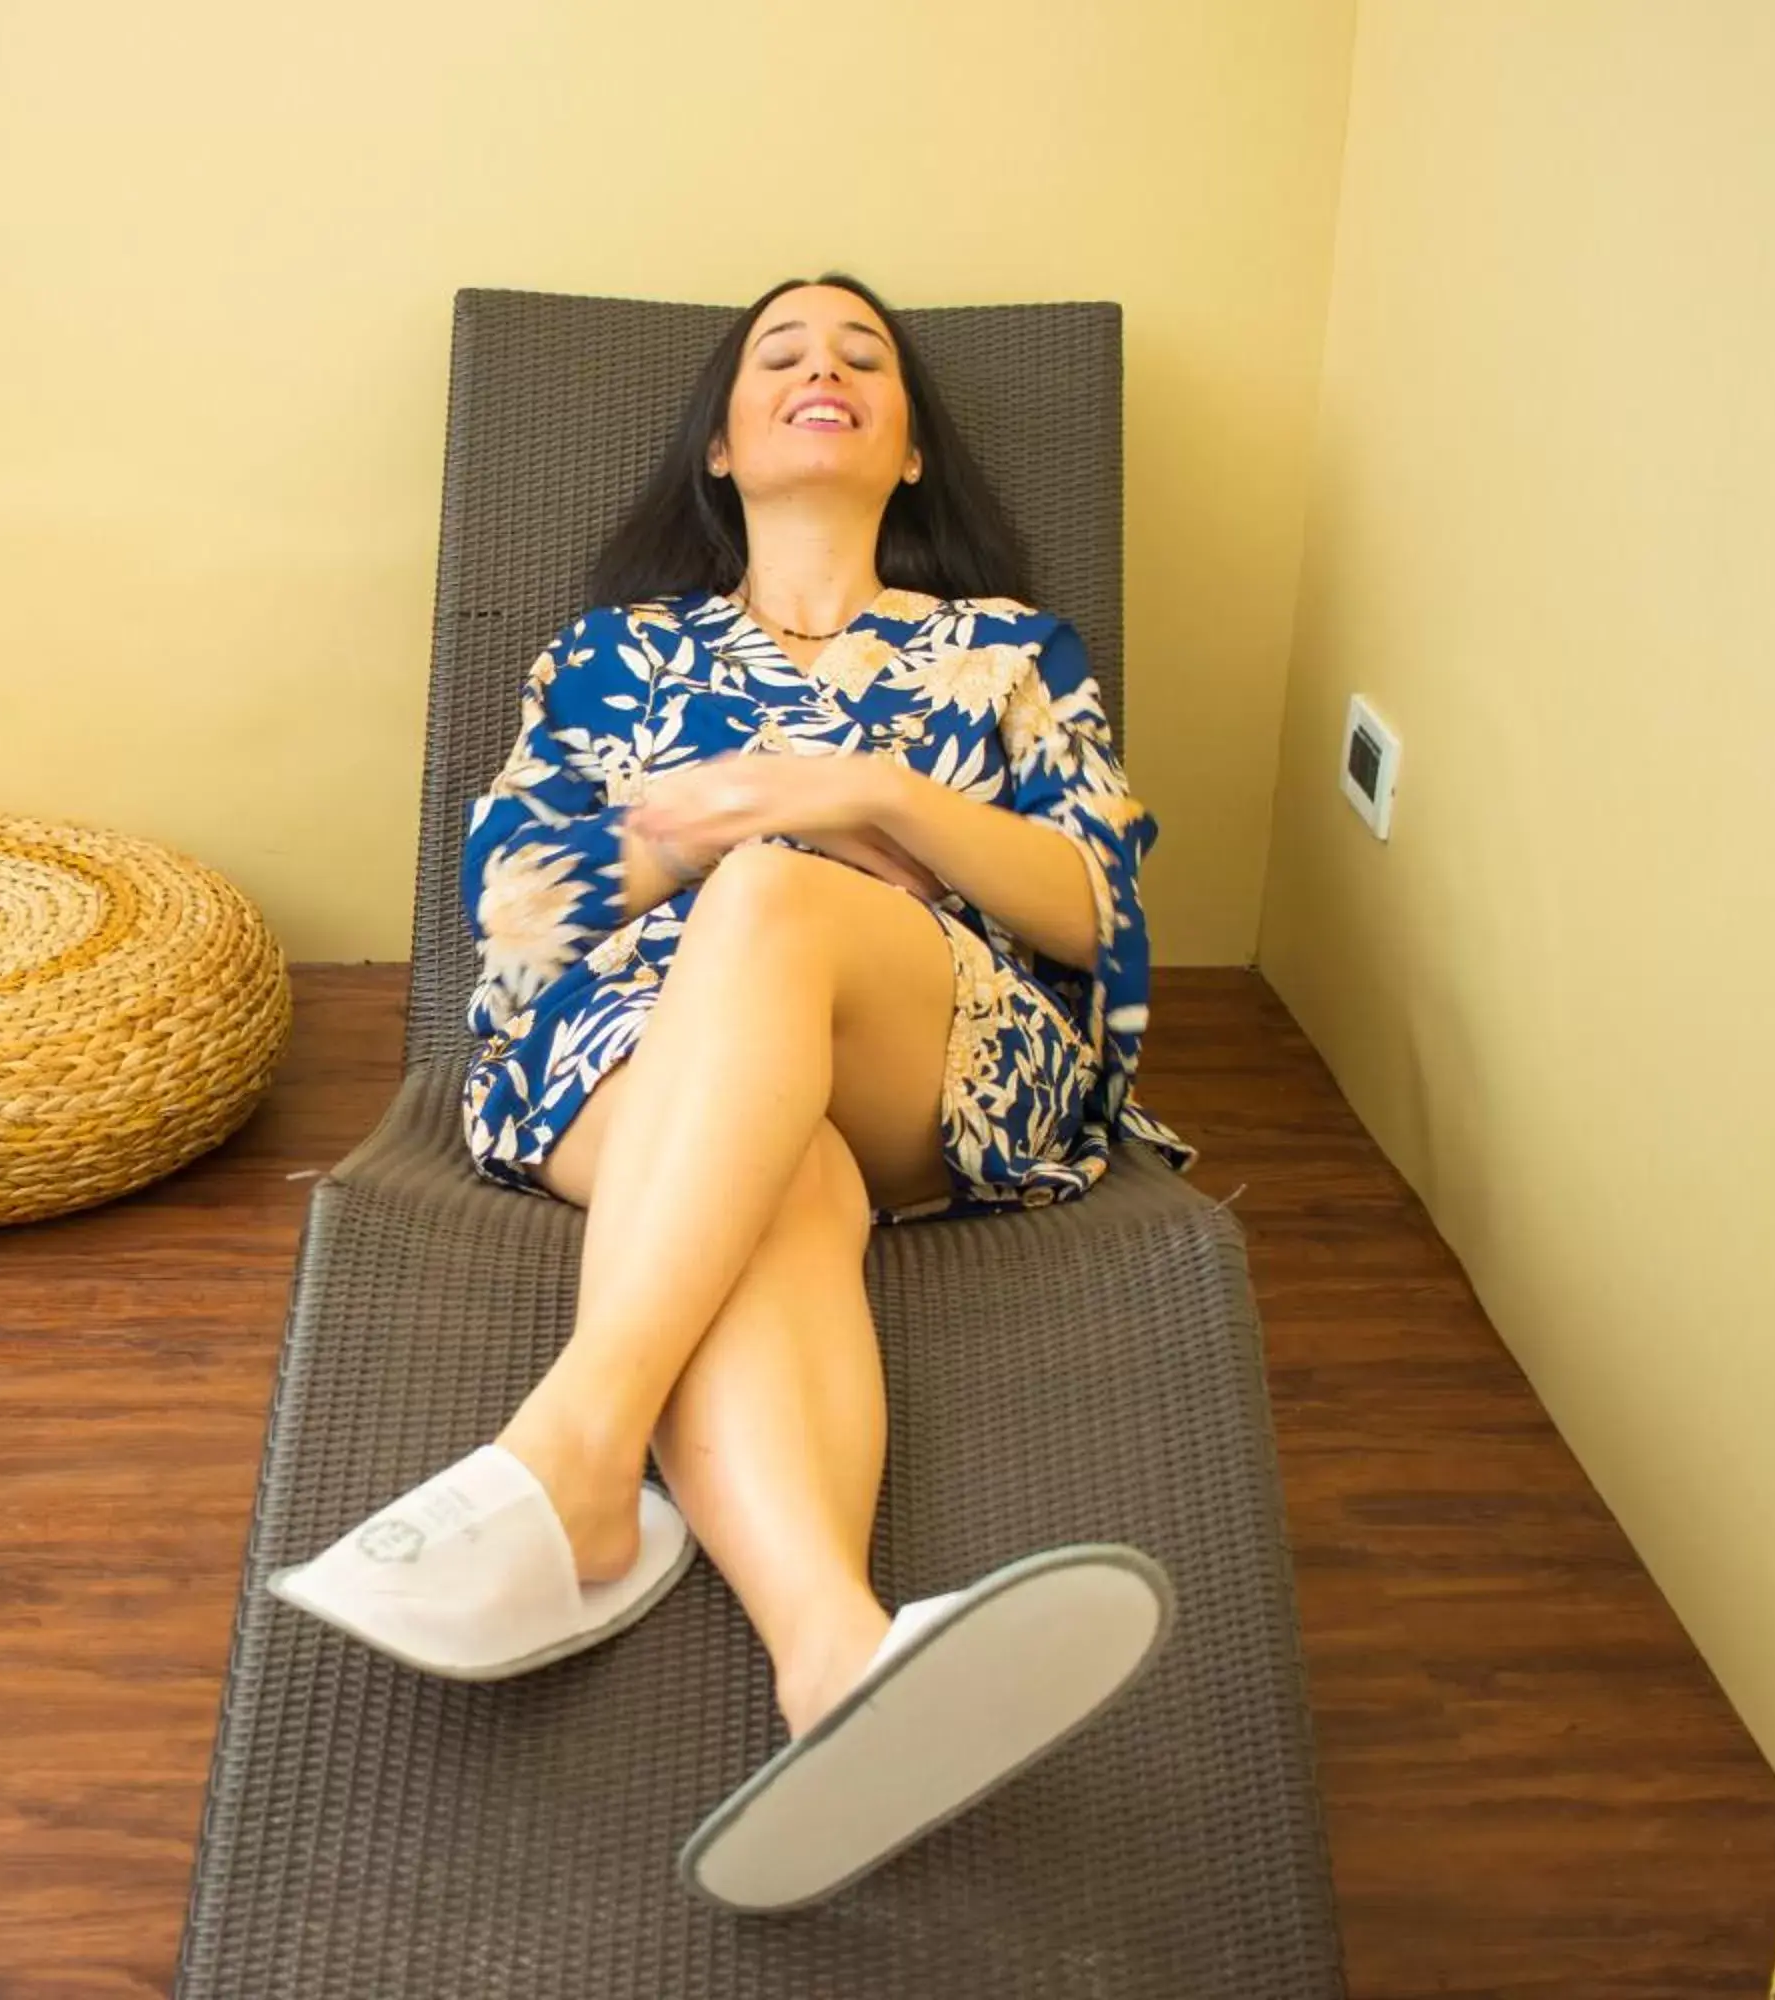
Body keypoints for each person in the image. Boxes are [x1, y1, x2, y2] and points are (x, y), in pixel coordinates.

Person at [269, 272, 1196, 1912]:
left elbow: (1096, 900)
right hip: (621, 1042)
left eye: (863, 358)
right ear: (721, 442)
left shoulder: (1005, 656)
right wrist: (697, 832)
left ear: (909, 454)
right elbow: (520, 898)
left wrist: (861, 796)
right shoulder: (614, 655)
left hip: (938, 1042)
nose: (824, 369)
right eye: (782, 355)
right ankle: (834, 1657)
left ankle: (575, 1459)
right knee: (790, 1182)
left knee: (778, 900)